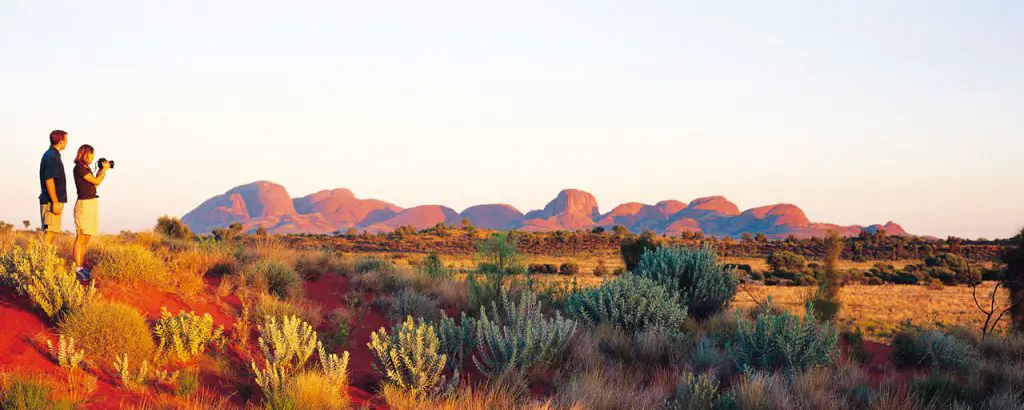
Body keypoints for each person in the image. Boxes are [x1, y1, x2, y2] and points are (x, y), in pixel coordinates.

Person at [72, 144, 111, 281]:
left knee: (86, 237)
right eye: (92, 154)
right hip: (84, 205)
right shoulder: (79, 168)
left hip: (91, 203)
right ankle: (77, 269)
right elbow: (96, 181)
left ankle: (81, 267)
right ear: (85, 154)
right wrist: (104, 171)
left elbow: (94, 183)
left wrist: (101, 169)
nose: (93, 157)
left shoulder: (86, 168)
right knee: (81, 237)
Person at [39, 130, 68, 244]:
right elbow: (49, 181)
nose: (67, 143)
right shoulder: (52, 156)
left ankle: (43, 259)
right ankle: (40, 260)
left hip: (52, 200)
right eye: (66, 140)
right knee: (49, 232)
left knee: (51, 232)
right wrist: (55, 202)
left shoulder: (52, 155)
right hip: (51, 201)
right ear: (61, 141)